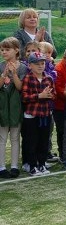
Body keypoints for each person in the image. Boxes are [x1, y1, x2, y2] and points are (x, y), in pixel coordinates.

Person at [21, 52, 56, 176]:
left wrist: (49, 95)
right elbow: (24, 97)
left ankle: (42, 164)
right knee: (32, 141)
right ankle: (32, 166)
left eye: (42, 63)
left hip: (45, 114)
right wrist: (39, 96)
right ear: (30, 65)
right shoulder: (27, 78)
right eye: (37, 64)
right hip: (31, 115)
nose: (40, 66)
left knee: (43, 141)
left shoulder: (49, 78)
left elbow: (54, 95)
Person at [0, 37, 27, 178]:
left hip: (16, 107)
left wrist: (14, 73)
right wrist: (4, 73)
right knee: (2, 138)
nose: (4, 52)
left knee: (15, 137)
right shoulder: (0, 65)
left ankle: (15, 166)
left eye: (7, 49)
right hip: (3, 107)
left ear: (16, 50)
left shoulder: (23, 67)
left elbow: (20, 87)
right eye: (2, 49)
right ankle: (2, 167)